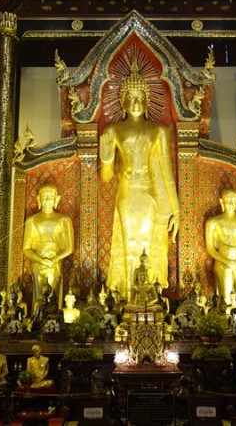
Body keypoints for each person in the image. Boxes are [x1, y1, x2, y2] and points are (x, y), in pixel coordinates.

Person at [100, 62, 180, 297]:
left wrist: (175, 209)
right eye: (130, 98)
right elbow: (106, 178)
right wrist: (106, 158)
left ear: (147, 100)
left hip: (149, 197)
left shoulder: (159, 131)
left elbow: (166, 173)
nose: (135, 103)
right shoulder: (113, 131)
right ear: (122, 101)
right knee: (128, 244)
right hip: (126, 195)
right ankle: (127, 298)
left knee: (147, 242)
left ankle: (150, 297)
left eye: (139, 98)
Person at [22, 184, 74, 308]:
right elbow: (26, 248)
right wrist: (41, 260)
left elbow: (69, 248)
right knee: (39, 297)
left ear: (57, 199)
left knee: (52, 296)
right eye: (44, 197)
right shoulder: (31, 220)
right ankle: (36, 319)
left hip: (54, 262)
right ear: (38, 199)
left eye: (51, 197)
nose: (47, 200)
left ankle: (53, 319)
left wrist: (53, 260)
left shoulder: (64, 219)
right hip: (38, 262)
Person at [205, 189, 236, 302]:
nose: (231, 203)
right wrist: (226, 261)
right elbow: (210, 248)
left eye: (234, 200)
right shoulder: (212, 222)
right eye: (228, 200)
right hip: (222, 262)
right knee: (225, 298)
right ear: (222, 202)